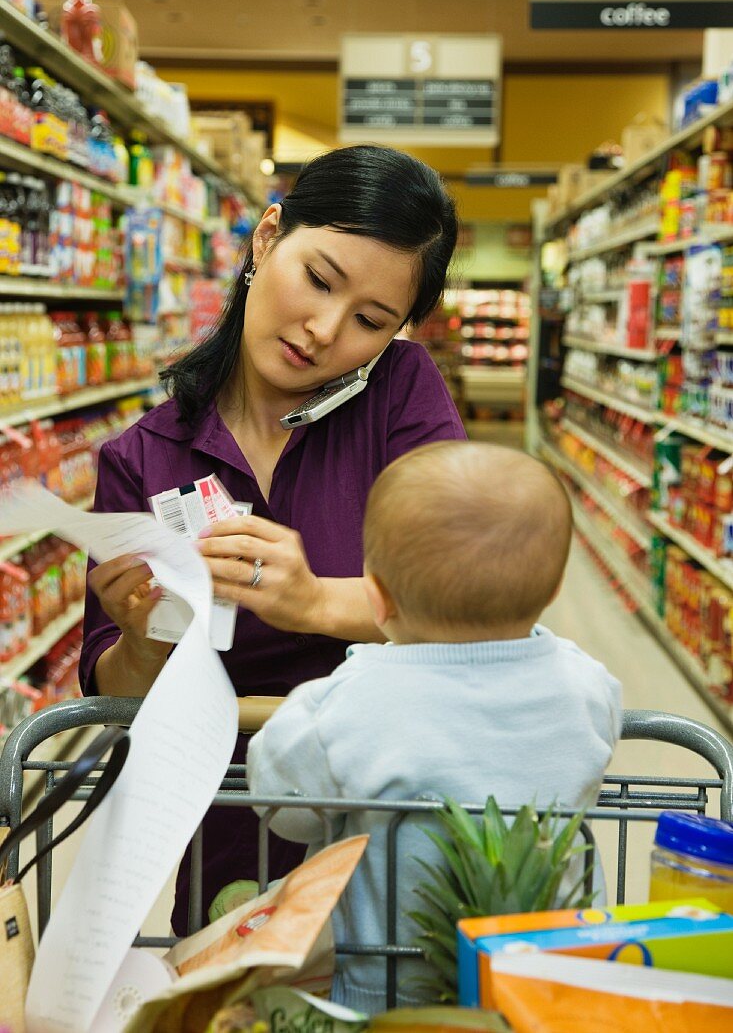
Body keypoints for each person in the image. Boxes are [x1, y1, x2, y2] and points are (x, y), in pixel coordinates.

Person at [79, 145, 466, 935]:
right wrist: (146, 636)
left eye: (370, 320)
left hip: (392, 813)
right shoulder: (144, 457)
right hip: (229, 821)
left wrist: (317, 600)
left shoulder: (401, 396)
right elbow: (111, 683)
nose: (324, 332)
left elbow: (461, 596)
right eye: (319, 279)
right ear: (265, 239)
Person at [247, 441, 623, 1014]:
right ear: (551, 592)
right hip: (550, 975)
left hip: (389, 987)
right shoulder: (586, 684)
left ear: (375, 596)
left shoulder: (351, 701)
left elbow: (282, 807)